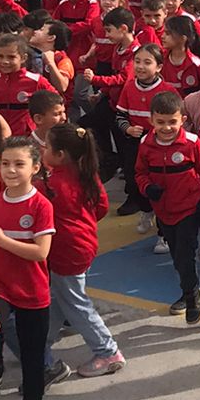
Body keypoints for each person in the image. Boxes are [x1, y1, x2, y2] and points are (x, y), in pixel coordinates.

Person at [0, 135, 55, 400]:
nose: (10, 170)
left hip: (32, 288)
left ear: (35, 167)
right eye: (5, 163)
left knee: (32, 350)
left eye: (19, 164)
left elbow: (40, 252)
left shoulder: (41, 205)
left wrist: (2, 240)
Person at [40, 124, 123, 378]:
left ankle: (107, 350)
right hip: (83, 245)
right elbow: (101, 206)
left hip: (66, 251)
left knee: (75, 303)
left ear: (60, 154)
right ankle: (39, 344)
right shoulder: (86, 173)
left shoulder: (52, 184)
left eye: (47, 146)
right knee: (59, 297)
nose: (43, 149)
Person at [137, 91, 200, 324]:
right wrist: (147, 188)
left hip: (188, 209)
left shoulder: (192, 142)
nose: (167, 127)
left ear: (182, 119)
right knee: (177, 257)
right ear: (151, 120)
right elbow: (140, 173)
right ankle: (187, 289)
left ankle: (192, 295)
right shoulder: (145, 144)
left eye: (172, 121)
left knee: (184, 255)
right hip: (163, 211)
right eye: (160, 122)